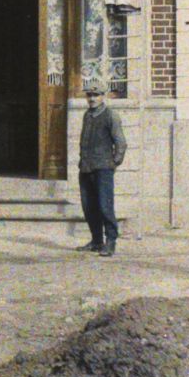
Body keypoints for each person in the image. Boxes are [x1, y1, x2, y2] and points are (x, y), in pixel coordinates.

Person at [76, 79, 126, 256]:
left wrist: (114, 163)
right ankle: (96, 241)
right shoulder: (87, 115)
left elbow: (121, 143)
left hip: (103, 169)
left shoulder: (111, 115)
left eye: (95, 95)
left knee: (105, 206)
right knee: (89, 207)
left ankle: (110, 242)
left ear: (103, 96)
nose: (92, 99)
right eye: (89, 95)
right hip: (86, 168)